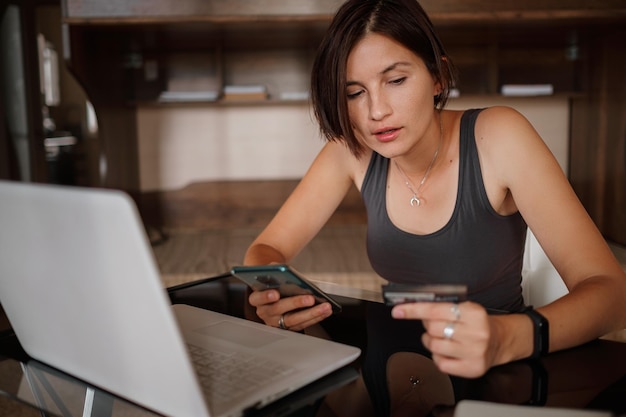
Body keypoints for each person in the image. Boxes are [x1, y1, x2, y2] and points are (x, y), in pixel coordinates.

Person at [242, 0, 626, 414]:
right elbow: (265, 252)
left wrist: (507, 338)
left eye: (396, 80)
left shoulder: (499, 136)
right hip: (390, 360)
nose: (376, 112)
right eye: (354, 92)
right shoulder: (350, 152)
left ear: (438, 76)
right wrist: (276, 294)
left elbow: (613, 294)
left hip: (501, 375)